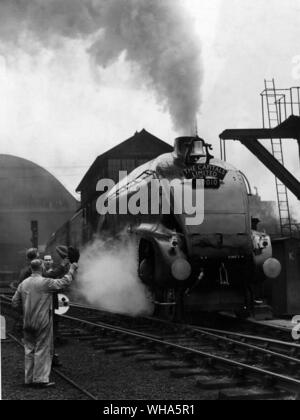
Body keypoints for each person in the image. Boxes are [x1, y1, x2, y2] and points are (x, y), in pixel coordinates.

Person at [12, 251, 79, 388]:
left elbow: (14, 302)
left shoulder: (23, 284)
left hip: (27, 321)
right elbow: (64, 282)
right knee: (42, 349)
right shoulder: (45, 283)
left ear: (31, 268)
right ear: (42, 268)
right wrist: (71, 269)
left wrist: (25, 311)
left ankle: (29, 379)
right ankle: (41, 380)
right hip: (42, 321)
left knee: (29, 350)